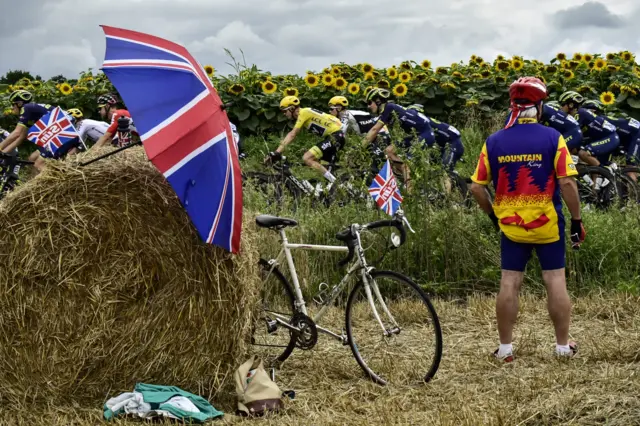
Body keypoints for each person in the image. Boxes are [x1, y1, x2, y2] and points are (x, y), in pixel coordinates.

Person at [469, 77, 585, 363]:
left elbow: (476, 187)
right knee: (555, 279)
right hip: (547, 222)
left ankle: (505, 349)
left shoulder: (494, 141)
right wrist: (576, 220)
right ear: (540, 106)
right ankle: (561, 348)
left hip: (510, 225)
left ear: (513, 106)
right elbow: (568, 185)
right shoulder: (552, 138)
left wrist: (494, 215)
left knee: (509, 282)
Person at [362, 88, 437, 190]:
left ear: (378, 101)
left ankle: (410, 192)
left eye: (370, 103)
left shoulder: (389, 108)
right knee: (389, 152)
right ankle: (408, 179)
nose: (368, 106)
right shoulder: (387, 112)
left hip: (424, 134)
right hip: (412, 136)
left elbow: (374, 130)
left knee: (406, 164)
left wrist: (360, 147)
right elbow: (390, 135)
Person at [265, 96, 345, 184]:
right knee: (319, 164)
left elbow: (292, 134)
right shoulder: (305, 113)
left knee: (307, 158)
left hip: (335, 136)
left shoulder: (303, 112)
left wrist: (277, 152)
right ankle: (325, 190)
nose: (284, 114)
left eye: (284, 111)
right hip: (335, 136)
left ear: (292, 108)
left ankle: (336, 184)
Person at [0, 90, 83, 172]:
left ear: (19, 104)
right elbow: (21, 137)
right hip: (60, 132)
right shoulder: (31, 110)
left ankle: (60, 182)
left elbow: (16, 133)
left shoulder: (26, 108)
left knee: (39, 164)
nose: (11, 107)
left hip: (62, 133)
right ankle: (35, 183)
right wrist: (3, 152)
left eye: (13, 104)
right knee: (32, 159)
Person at [327, 95, 391, 179]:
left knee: (372, 166)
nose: (329, 111)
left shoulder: (345, 115)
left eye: (332, 109)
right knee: (356, 158)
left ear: (339, 108)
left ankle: (375, 183)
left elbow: (340, 134)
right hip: (372, 137)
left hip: (381, 135)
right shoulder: (344, 116)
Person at [582, 99, 640, 182]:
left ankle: (633, 194)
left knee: (630, 167)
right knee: (599, 167)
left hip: (636, 134)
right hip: (624, 137)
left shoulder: (599, 121)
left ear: (592, 111)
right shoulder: (595, 124)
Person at [558, 91, 620, 168]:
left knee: (583, 153)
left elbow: (572, 136)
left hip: (610, 137)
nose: (560, 107)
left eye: (562, 104)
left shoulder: (579, 113)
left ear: (571, 105)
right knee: (588, 163)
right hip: (599, 138)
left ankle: (605, 172)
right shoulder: (575, 114)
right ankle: (597, 179)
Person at [407, 104, 465, 172]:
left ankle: (451, 178)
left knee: (445, 172)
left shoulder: (424, 122)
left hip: (453, 143)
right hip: (445, 144)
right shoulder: (421, 123)